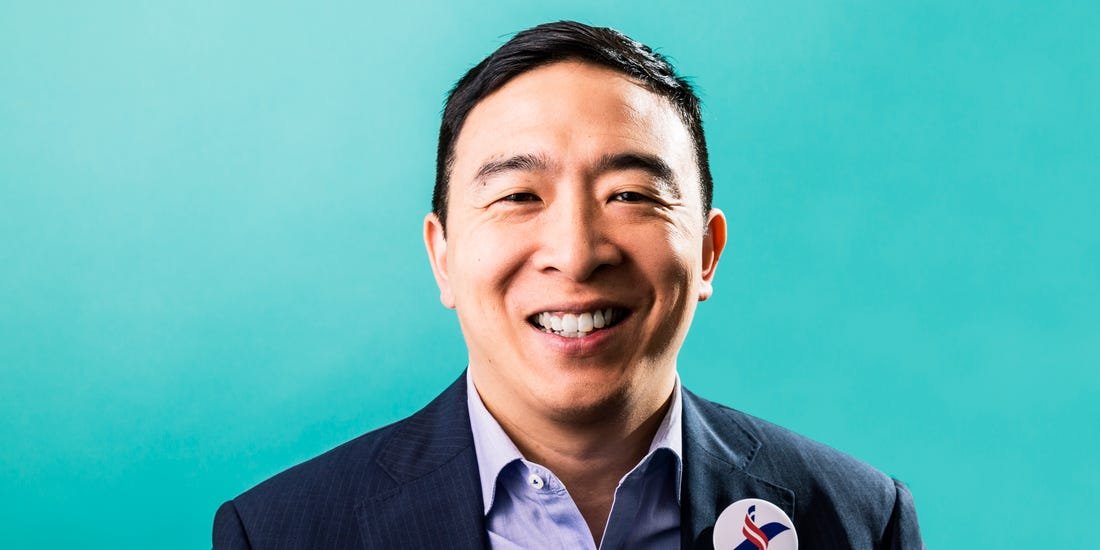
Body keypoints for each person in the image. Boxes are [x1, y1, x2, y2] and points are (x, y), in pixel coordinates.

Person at [213, 21, 922, 549]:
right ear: (443, 256)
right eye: (519, 195)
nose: (576, 255)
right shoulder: (280, 533)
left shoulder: (856, 520)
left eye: (631, 195)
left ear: (707, 253)